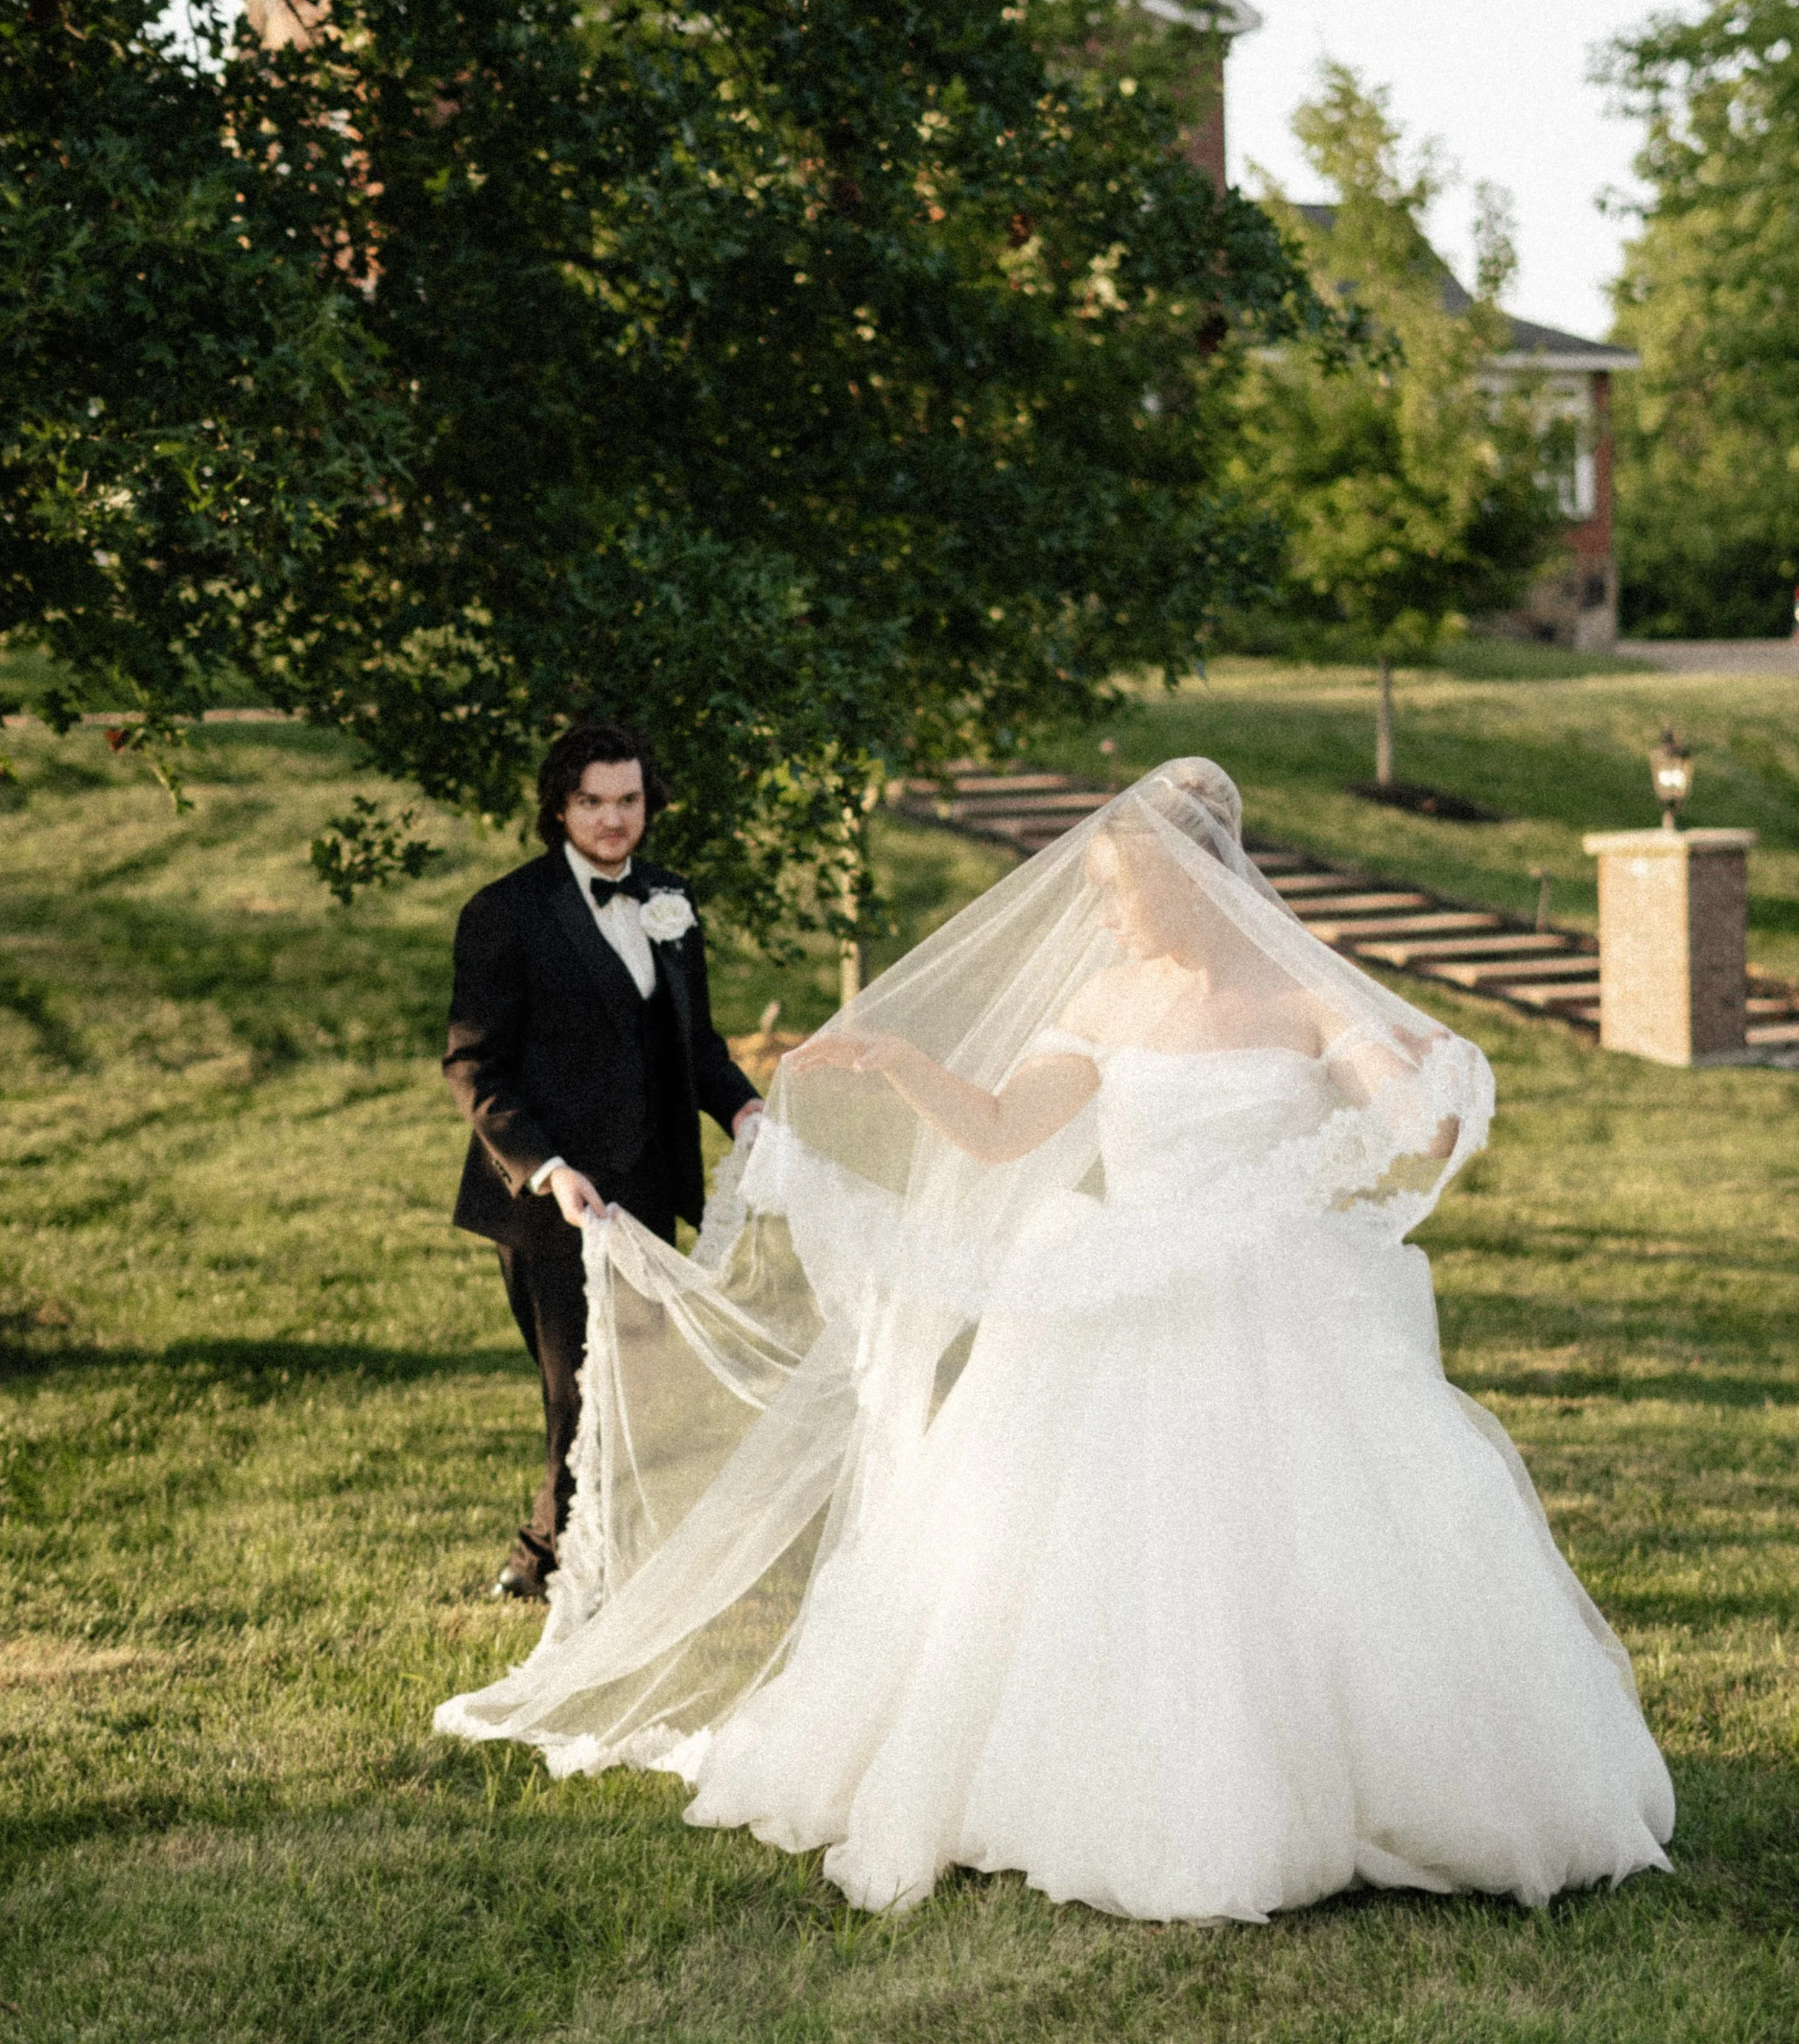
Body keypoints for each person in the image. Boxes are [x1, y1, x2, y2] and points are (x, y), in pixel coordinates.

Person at [438, 757, 1675, 1920]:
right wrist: (897, 1059)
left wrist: (1420, 1097)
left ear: (1190, 882)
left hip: (1272, 1305)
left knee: (1308, 1543)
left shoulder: (1301, 992)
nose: (1109, 917)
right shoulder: (1105, 995)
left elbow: (1408, 1111)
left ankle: (1353, 1771)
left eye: (1121, 893)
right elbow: (999, 1127)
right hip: (1108, 1290)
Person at [443, 717, 762, 1602]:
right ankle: (550, 1561)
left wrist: (740, 1103)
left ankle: (570, 1554)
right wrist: (547, 1168)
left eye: (628, 800)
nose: (613, 820)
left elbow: (691, 1041)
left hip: (649, 1181)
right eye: (592, 801)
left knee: (640, 1381)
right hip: (552, 1195)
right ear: (560, 805)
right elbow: (475, 1065)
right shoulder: (505, 913)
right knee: (578, 1389)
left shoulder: (669, 900)